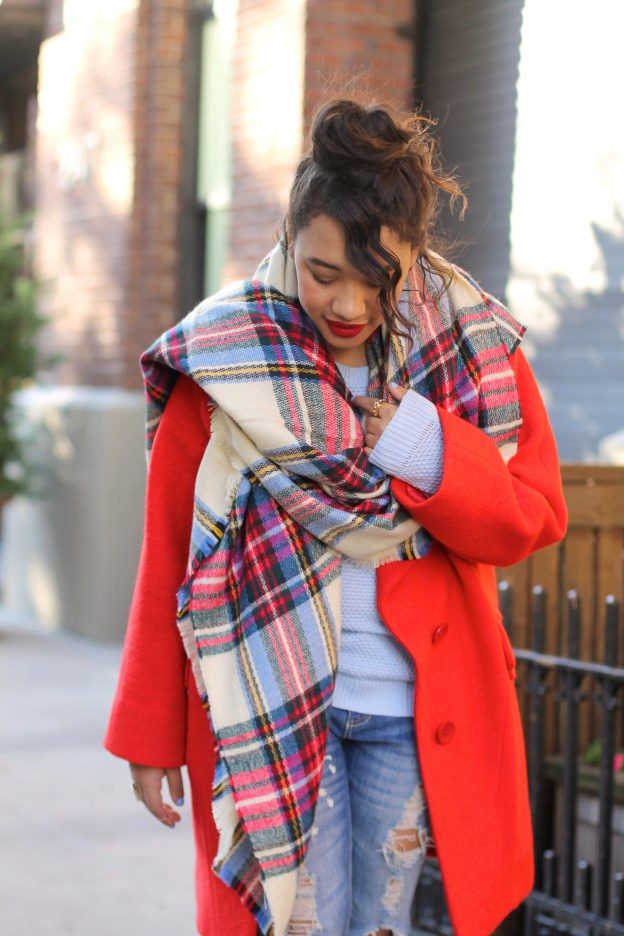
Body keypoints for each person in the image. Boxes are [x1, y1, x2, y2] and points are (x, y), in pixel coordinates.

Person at [104, 98, 567, 936]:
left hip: (411, 706)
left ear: (413, 254)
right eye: (324, 273)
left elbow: (531, 518)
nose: (350, 303)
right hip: (272, 704)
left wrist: (430, 449)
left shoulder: (470, 349)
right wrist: (149, 728)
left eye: (378, 278)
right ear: (289, 237)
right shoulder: (226, 354)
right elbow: (170, 548)